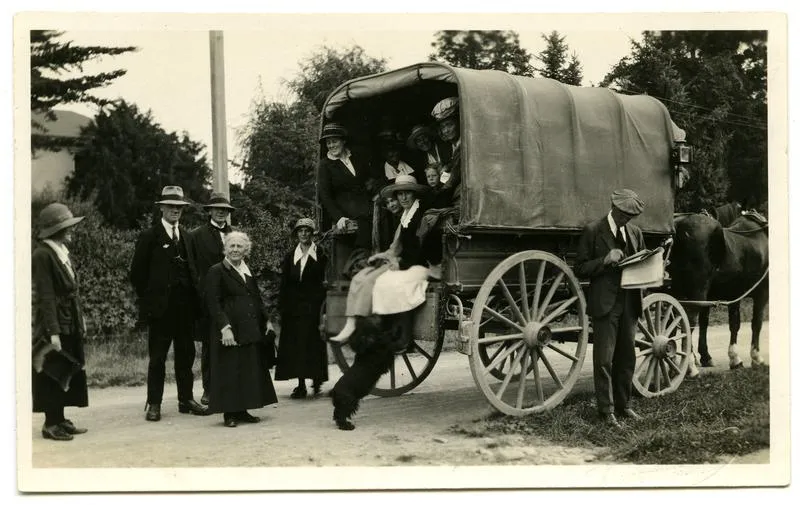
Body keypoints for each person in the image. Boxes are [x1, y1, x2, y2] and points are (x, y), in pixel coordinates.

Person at [129, 186, 209, 422]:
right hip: (160, 311)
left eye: (179, 207)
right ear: (161, 208)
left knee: (186, 356)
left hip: (185, 309)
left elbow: (192, 270)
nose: (175, 210)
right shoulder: (149, 236)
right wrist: (152, 301)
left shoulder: (186, 236)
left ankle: (186, 400)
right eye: (171, 206)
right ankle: (154, 404)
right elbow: (137, 274)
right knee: (157, 358)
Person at [329, 174, 432, 345]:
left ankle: (370, 323)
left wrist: (399, 262)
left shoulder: (420, 215)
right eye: (400, 194)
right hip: (401, 261)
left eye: (407, 193)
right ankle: (352, 322)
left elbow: (424, 249)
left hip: (417, 266)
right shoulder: (406, 215)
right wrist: (383, 256)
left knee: (372, 281)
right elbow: (397, 246)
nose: (403, 197)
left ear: (414, 194)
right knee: (360, 277)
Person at [575, 189, 646, 429]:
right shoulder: (593, 231)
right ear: (614, 209)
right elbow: (581, 268)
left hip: (629, 301)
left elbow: (641, 263)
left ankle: (624, 407)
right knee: (604, 360)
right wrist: (605, 260)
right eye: (624, 215)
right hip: (605, 303)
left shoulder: (635, 233)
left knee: (627, 356)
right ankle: (606, 411)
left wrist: (654, 269)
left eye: (631, 216)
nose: (627, 219)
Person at [204, 231, 278, 427]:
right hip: (230, 328)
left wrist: (267, 321)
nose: (235, 249)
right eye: (232, 246)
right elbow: (213, 303)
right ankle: (229, 414)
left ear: (246, 250)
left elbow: (257, 299)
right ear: (225, 249)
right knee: (229, 370)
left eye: (239, 246)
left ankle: (243, 410)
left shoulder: (247, 271)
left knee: (246, 369)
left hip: (248, 328)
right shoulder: (216, 271)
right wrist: (224, 328)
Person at [31, 203, 89, 441]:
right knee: (52, 371)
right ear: (56, 230)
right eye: (67, 227)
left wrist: (80, 319)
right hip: (54, 323)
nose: (72, 230)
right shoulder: (42, 255)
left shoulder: (60, 251)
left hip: (69, 319)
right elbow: (45, 296)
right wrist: (52, 331)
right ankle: (50, 423)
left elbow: (71, 291)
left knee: (66, 369)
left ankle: (60, 418)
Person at [188, 192, 235, 405]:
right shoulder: (196, 236)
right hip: (208, 299)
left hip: (232, 298)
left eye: (224, 209)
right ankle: (208, 389)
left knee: (232, 343)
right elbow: (192, 268)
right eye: (217, 209)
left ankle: (230, 389)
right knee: (209, 345)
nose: (221, 212)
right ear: (209, 211)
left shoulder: (235, 235)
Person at [274, 218, 329, 399]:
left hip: (313, 307)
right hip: (294, 308)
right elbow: (284, 283)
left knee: (312, 344)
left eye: (307, 231)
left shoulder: (321, 254)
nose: (304, 234)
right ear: (296, 234)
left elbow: (324, 282)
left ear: (312, 234)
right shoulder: (290, 256)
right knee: (296, 346)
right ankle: (300, 385)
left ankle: (317, 380)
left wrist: (324, 308)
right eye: (301, 231)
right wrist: (282, 308)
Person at [317, 122, 378, 250]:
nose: (331, 146)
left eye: (334, 141)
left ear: (343, 141)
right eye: (328, 143)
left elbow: (369, 178)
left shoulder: (356, 157)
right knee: (364, 241)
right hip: (346, 212)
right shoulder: (325, 164)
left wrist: (374, 192)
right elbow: (325, 195)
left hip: (368, 206)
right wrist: (338, 217)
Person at [431, 97, 462, 206]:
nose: (446, 130)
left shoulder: (464, 145)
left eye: (449, 125)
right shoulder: (452, 146)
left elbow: (453, 180)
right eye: (443, 127)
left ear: (459, 123)